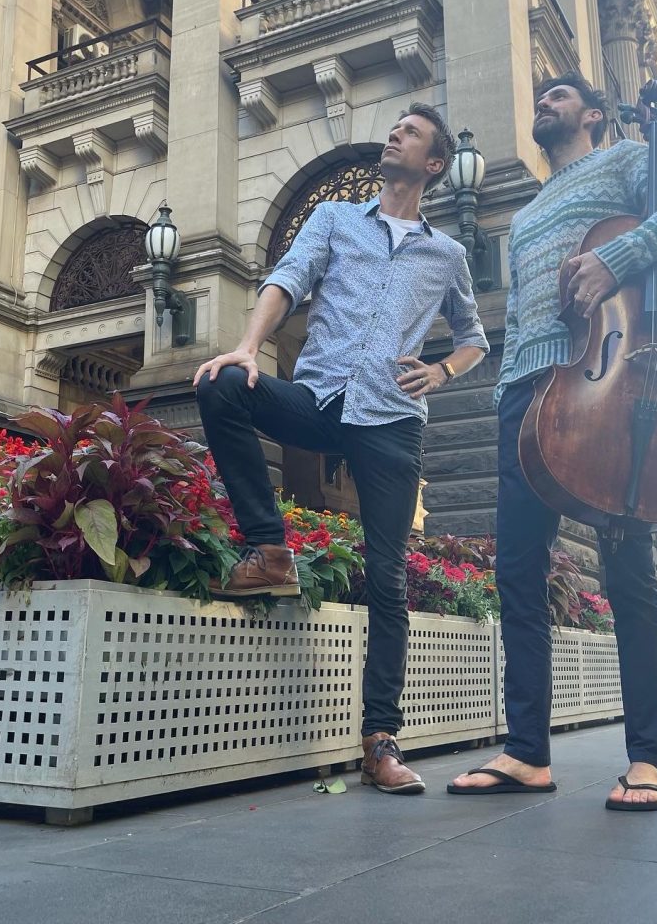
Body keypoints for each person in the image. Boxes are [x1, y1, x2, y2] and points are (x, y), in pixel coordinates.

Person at [448, 73, 657, 810]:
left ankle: (646, 760)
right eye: (540, 97)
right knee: (517, 572)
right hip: (526, 392)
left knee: (629, 572)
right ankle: (526, 753)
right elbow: (527, 310)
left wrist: (616, 258)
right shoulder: (529, 211)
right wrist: (505, 393)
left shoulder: (627, 160)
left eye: (560, 96)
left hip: (611, 390)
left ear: (594, 115)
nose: (544, 102)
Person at [194, 102, 490, 795]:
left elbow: (474, 336)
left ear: (434, 164)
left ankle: (380, 742)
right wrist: (248, 347)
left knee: (387, 578)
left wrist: (443, 372)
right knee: (221, 386)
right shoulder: (333, 220)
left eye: (410, 133)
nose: (395, 135)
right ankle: (269, 549)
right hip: (322, 397)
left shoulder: (446, 255)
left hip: (392, 420)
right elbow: (288, 279)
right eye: (396, 128)